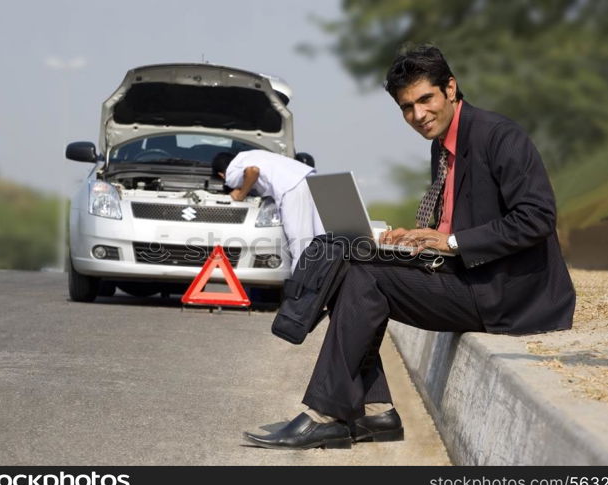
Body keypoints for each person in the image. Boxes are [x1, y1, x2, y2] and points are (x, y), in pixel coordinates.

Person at [243, 45, 576, 450]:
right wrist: (418, 236)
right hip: (468, 275)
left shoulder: (499, 136)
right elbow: (456, 220)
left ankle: (328, 414)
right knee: (351, 257)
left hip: (508, 293)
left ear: (450, 88)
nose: (418, 116)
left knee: (365, 276)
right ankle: (376, 410)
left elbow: (537, 217)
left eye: (425, 100)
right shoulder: (442, 143)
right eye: (406, 107)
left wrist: (451, 241)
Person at [212, 149, 324, 271]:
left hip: (293, 187)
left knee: (300, 244)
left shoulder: (231, 171)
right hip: (312, 179)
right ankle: (322, 282)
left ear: (221, 175)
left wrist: (241, 194)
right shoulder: (249, 155)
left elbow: (253, 171)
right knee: (321, 238)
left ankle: (300, 285)